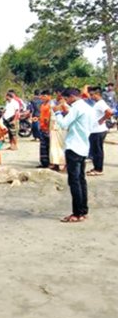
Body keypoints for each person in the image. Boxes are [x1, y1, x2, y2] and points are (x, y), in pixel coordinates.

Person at [54, 88, 94, 223]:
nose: (66, 101)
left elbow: (64, 124)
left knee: (74, 181)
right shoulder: (87, 108)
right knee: (81, 180)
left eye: (66, 99)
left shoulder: (77, 108)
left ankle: (77, 213)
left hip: (74, 146)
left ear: (71, 97)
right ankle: (83, 209)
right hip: (83, 146)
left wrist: (58, 113)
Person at [87, 86, 111, 176]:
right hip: (94, 130)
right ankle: (96, 167)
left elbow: (109, 112)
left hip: (99, 130)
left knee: (98, 150)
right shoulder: (96, 104)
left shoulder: (101, 103)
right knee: (94, 150)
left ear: (98, 94)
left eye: (93, 95)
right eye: (90, 94)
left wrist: (102, 119)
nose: (91, 96)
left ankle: (99, 169)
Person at [49, 92, 68, 171]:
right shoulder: (53, 103)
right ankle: (55, 163)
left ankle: (65, 165)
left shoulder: (66, 104)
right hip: (53, 126)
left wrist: (63, 106)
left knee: (62, 146)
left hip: (62, 127)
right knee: (53, 146)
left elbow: (67, 113)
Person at [38, 92, 52, 168]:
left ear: (49, 96)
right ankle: (44, 163)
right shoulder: (43, 105)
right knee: (42, 147)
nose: (43, 97)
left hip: (48, 128)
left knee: (48, 146)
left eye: (44, 95)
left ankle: (49, 162)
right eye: (42, 96)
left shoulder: (50, 105)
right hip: (42, 127)